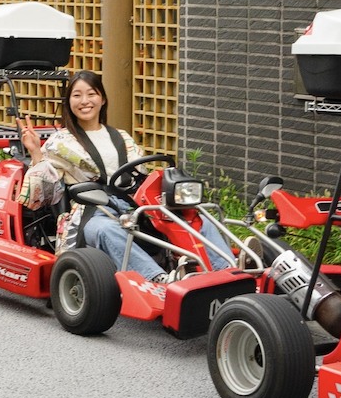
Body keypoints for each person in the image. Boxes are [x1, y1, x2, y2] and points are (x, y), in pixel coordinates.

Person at [18, 70, 233, 281]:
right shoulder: (60, 142)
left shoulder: (121, 136)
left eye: (91, 94)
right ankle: (159, 279)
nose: (85, 101)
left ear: (102, 99)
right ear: (69, 102)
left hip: (134, 206)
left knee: (197, 218)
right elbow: (43, 194)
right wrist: (36, 151)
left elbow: (141, 176)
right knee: (107, 230)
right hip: (92, 212)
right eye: (77, 95)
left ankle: (227, 271)